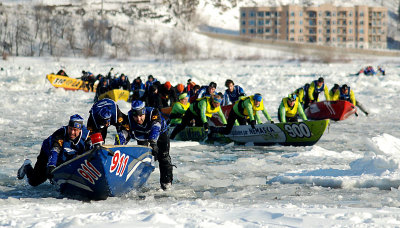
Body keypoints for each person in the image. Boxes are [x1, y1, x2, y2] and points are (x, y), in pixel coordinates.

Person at [17, 114, 90, 186]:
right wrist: (51, 166)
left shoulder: (87, 136)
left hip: (69, 155)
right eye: (70, 129)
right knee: (34, 181)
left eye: (75, 130)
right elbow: (54, 151)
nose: (72, 132)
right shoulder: (60, 134)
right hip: (48, 153)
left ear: (80, 130)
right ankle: (26, 166)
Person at [117, 100, 174, 190]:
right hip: (142, 135)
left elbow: (156, 127)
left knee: (163, 157)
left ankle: (166, 183)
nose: (138, 119)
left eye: (141, 116)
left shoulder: (153, 113)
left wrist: (153, 143)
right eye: (135, 116)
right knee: (143, 159)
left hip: (160, 133)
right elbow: (124, 134)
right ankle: (139, 182)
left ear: (144, 113)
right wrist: (117, 147)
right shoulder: (129, 118)